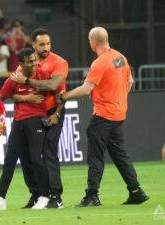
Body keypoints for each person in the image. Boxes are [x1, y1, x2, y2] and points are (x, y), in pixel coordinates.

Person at [58, 27, 149, 207]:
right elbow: (130, 82)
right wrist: (118, 99)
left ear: (93, 43)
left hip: (103, 116)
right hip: (118, 114)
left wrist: (64, 96)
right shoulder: (120, 58)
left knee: (95, 157)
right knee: (119, 155)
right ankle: (136, 191)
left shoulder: (99, 63)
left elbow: (86, 89)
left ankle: (92, 195)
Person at [0, 48, 50, 211]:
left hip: (36, 120)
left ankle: (44, 197)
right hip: (18, 122)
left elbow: (52, 88)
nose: (34, 63)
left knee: (36, 159)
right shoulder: (13, 79)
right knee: (9, 160)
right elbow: (2, 97)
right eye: (30, 61)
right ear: (21, 64)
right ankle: (0, 199)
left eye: (35, 60)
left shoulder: (42, 75)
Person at [10, 28, 68, 208]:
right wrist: (25, 97)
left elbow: (55, 87)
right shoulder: (25, 64)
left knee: (49, 151)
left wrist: (57, 114)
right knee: (27, 155)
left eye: (48, 43)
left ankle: (56, 196)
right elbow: (12, 92)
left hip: (52, 112)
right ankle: (36, 194)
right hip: (32, 114)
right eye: (41, 44)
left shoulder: (59, 62)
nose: (46, 47)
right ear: (33, 45)